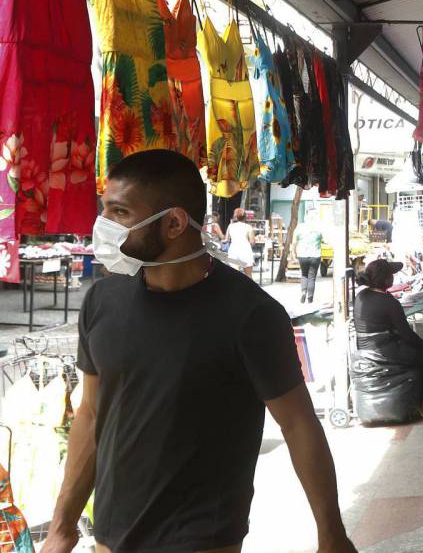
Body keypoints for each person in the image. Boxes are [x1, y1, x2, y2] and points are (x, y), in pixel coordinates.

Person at [43, 149, 355, 553]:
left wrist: (331, 534)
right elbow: (90, 412)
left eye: (119, 213)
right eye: (105, 210)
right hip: (110, 535)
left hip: (201, 538)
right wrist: (63, 525)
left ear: (173, 222)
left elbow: (298, 425)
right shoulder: (103, 300)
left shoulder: (250, 315)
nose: (103, 226)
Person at [354, 258, 423, 420]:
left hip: (366, 350)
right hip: (386, 351)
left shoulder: (361, 296)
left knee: (418, 355)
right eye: (392, 275)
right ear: (388, 279)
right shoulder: (389, 302)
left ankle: (421, 399)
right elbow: (407, 335)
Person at [293, 214, 325, 306]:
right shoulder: (318, 228)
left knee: (304, 274)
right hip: (315, 255)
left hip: (302, 255)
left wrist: (293, 253)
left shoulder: (299, 227)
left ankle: (303, 291)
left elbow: (294, 242)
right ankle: (310, 299)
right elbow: (324, 239)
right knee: (312, 277)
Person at [226, 207, 257, 277]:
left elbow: (226, 239)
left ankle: (235, 287)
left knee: (235, 275)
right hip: (245, 250)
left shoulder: (230, 226)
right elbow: (252, 242)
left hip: (233, 250)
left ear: (235, 216)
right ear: (245, 217)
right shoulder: (248, 227)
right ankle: (249, 288)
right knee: (248, 275)